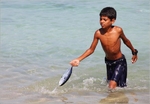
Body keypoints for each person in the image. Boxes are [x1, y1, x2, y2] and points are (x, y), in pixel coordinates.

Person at [70, 7, 138, 91]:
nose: (101, 21)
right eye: (100, 19)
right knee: (116, 86)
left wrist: (134, 52)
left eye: (105, 20)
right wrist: (78, 59)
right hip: (108, 62)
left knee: (112, 86)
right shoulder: (98, 33)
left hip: (120, 62)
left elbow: (126, 41)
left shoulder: (118, 30)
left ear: (112, 21)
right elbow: (91, 49)